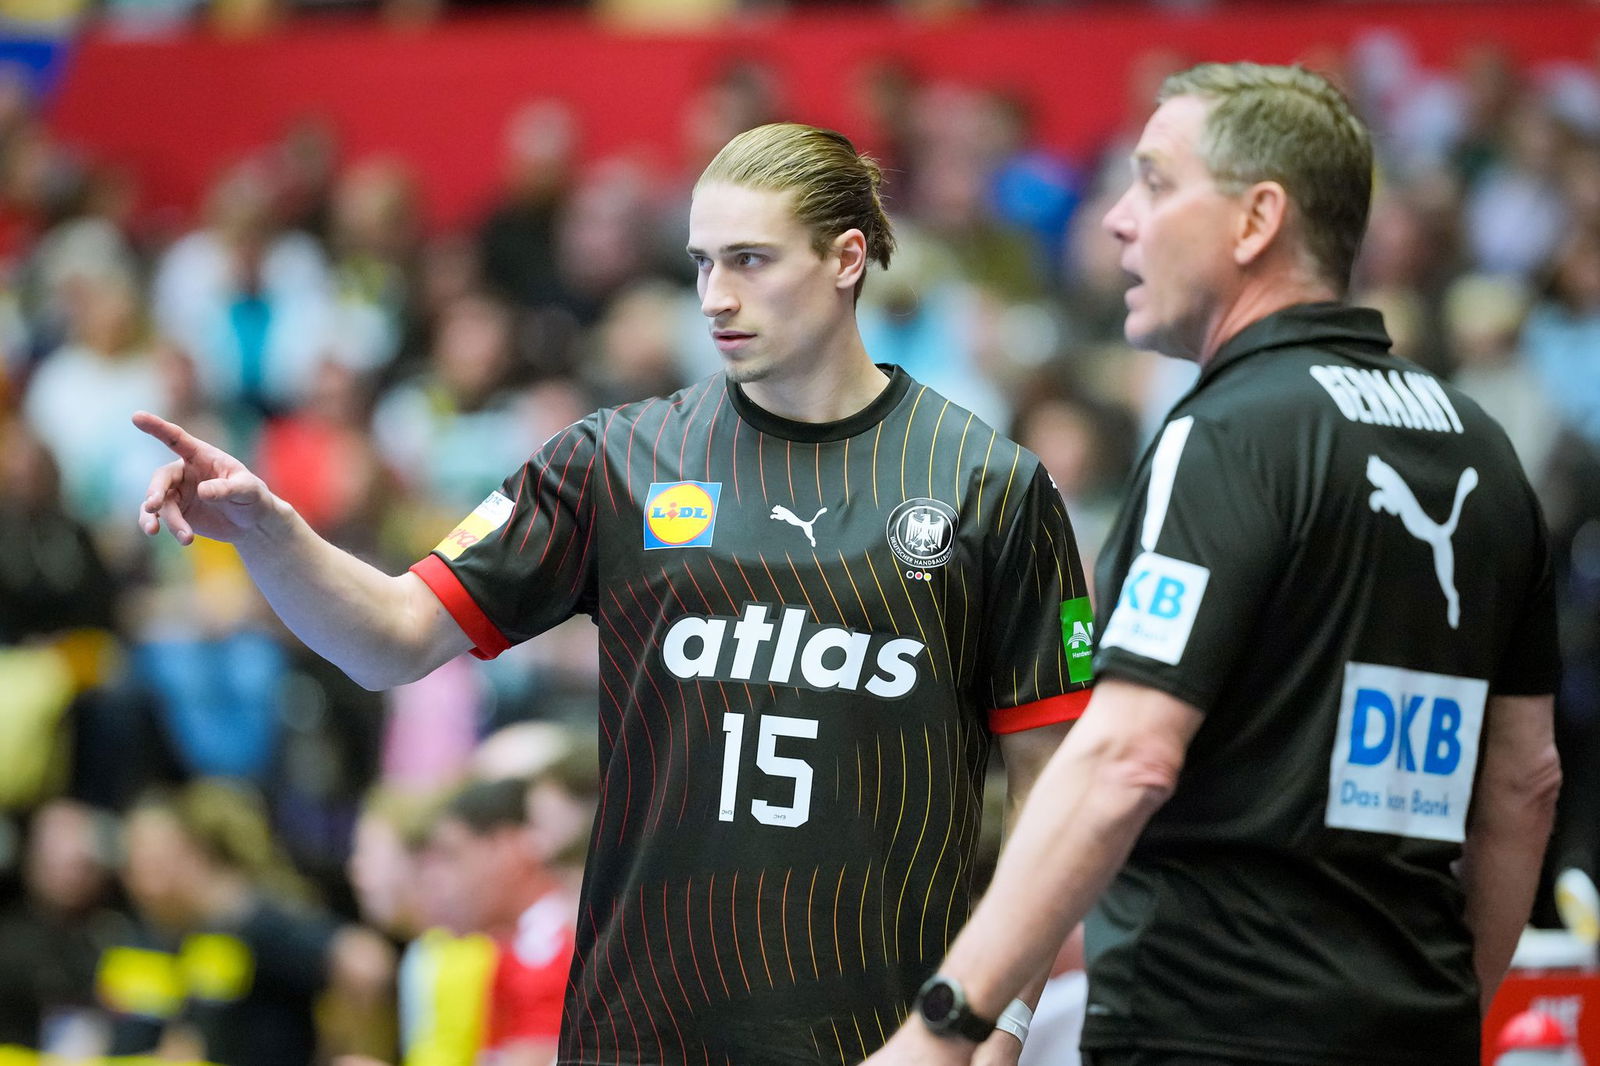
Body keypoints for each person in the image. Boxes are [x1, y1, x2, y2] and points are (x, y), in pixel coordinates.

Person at [133, 121, 1093, 1064]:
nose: (715, 297)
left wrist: (990, 1028)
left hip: (881, 1039)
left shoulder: (989, 485)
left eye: (751, 261)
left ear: (847, 259)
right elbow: (389, 637)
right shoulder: (616, 461)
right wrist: (271, 530)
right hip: (636, 1037)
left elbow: (1057, 794)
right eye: (702, 263)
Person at [864, 62, 1562, 1066]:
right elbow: (1523, 785)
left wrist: (947, 1022)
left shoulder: (1226, 434)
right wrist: (1452, 1016)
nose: (1115, 219)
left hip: (1205, 1031)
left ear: (1254, 220)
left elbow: (1124, 755)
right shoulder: (1481, 446)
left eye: (1152, 182)